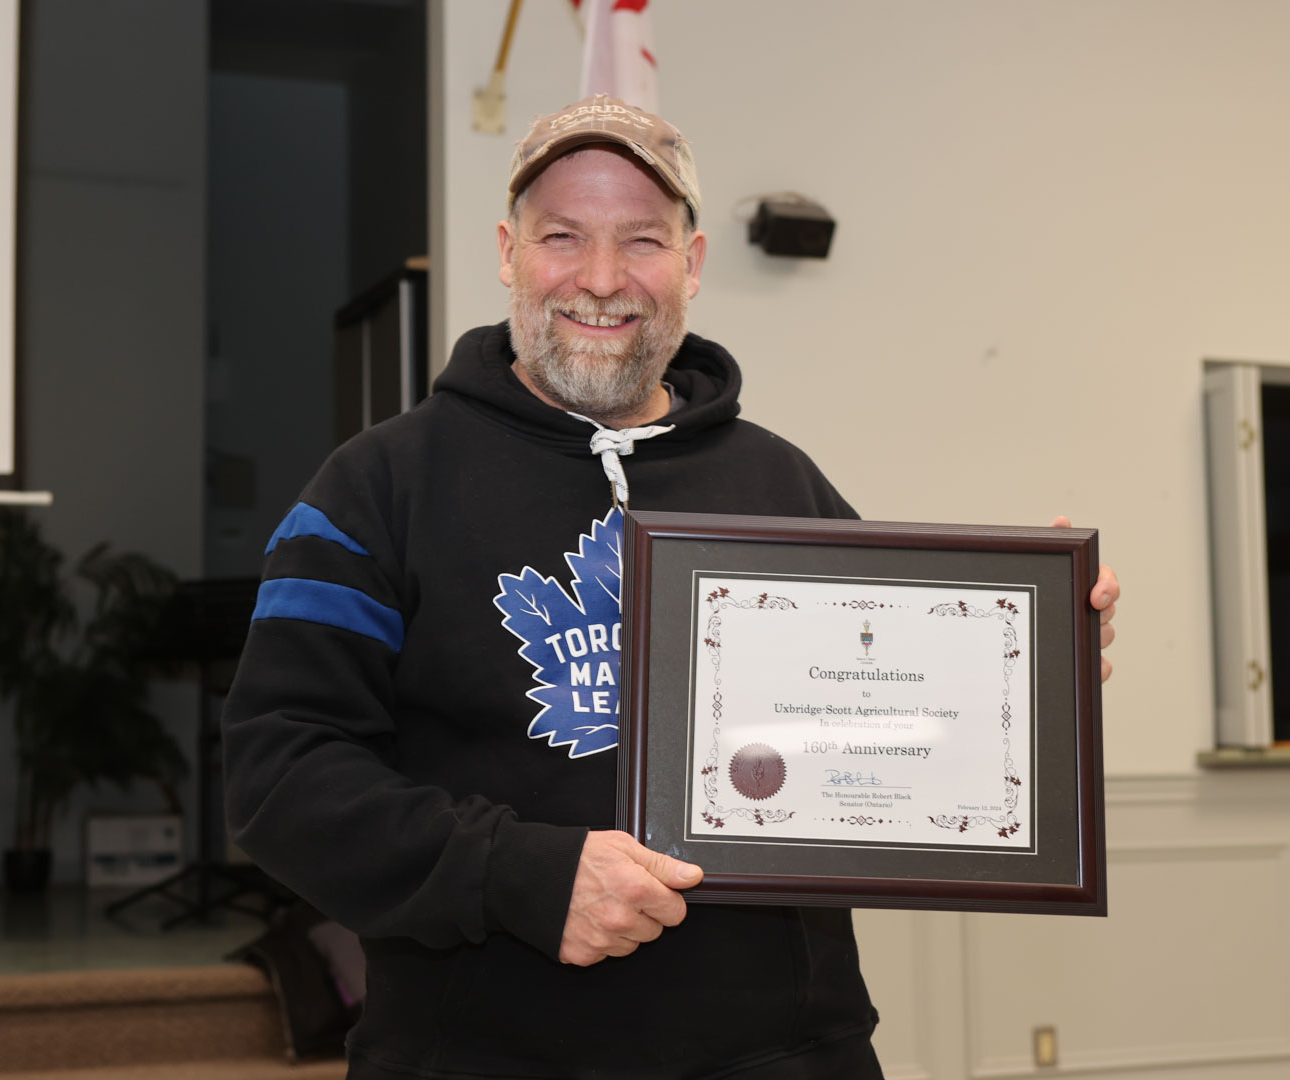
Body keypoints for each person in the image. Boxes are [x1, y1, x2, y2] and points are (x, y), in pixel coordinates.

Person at [222, 94, 1120, 1080]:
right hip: (475, 1055)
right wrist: (520, 876)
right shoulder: (373, 488)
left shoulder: (783, 484)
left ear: (690, 266)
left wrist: (1019, 673)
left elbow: (870, 725)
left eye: (641, 241)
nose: (602, 280)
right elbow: (282, 777)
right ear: (508, 253)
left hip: (786, 1055)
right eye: (563, 236)